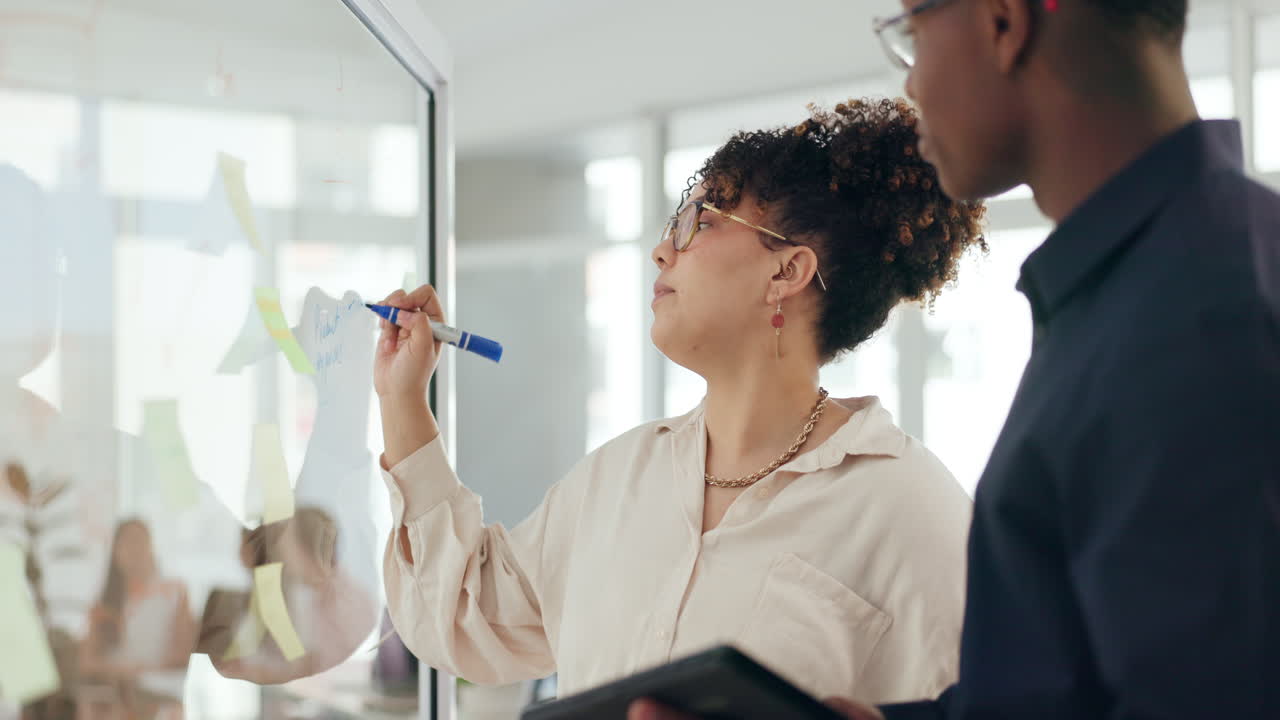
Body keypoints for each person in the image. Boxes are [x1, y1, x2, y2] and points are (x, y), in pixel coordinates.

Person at [631, 1, 1280, 719]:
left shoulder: (1202, 315)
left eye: (913, 33)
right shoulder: (1148, 285)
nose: (911, 85)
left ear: (1004, 22)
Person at [376, 98, 986, 705]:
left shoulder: (911, 512)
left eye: (701, 221)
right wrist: (403, 398)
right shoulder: (617, 478)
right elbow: (465, 616)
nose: (662, 250)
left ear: (787, 272)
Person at [79, 520, 196, 720]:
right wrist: (121, 673)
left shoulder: (175, 592)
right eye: (127, 542)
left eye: (140, 541)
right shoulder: (105, 600)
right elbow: (87, 661)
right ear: (116, 552)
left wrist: (140, 673)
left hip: (156, 692)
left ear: (151, 546)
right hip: (113, 693)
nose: (134, 549)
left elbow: (182, 657)